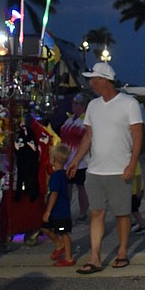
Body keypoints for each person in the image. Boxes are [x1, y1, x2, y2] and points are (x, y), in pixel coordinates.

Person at [66, 61, 142, 274]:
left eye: (94, 79)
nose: (91, 83)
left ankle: (122, 252)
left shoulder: (129, 104)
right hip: (95, 171)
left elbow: (137, 135)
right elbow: (88, 136)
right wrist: (75, 159)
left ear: (104, 81)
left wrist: (132, 163)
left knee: (122, 214)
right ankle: (95, 258)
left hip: (120, 170)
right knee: (96, 213)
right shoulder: (93, 106)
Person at [42, 144, 75, 267]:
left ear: (54, 159)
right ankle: (59, 245)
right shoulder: (60, 174)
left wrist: (48, 211)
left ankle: (69, 257)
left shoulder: (57, 176)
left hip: (60, 211)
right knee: (45, 227)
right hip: (58, 210)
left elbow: (54, 194)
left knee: (64, 232)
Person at [60, 93, 91, 221]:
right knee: (67, 186)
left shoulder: (86, 121)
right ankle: (66, 210)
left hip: (81, 161)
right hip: (67, 160)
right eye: (73, 103)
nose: (74, 106)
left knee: (81, 187)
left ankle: (83, 212)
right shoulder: (69, 120)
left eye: (77, 104)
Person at [129, 161, 145, 234]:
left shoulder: (135, 162)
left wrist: (138, 191)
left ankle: (143, 225)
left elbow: (138, 177)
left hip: (135, 191)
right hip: (132, 190)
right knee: (130, 208)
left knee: (134, 209)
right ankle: (134, 222)